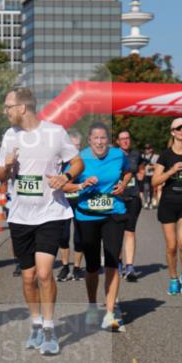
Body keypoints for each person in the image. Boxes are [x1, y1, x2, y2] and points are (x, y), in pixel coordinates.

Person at [0, 86, 84, 355]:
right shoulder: (10, 135)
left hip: (50, 213)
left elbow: (77, 162)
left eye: (9, 106)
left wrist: (65, 177)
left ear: (23, 107)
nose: (5, 111)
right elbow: (0, 177)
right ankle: (35, 324)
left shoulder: (55, 132)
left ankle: (49, 327)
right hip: (21, 215)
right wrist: (8, 165)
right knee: (28, 277)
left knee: (45, 273)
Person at [65, 122, 130, 331]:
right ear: (90, 140)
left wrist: (124, 183)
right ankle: (93, 306)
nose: (100, 142)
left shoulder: (118, 155)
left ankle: (110, 313)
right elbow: (64, 184)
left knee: (113, 261)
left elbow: (128, 171)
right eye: (96, 139)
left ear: (108, 140)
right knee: (92, 265)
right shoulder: (80, 159)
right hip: (87, 216)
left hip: (113, 213)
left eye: (103, 138)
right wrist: (82, 185)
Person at [151, 117, 182, 296]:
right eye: (178, 128)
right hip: (168, 203)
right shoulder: (165, 155)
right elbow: (155, 181)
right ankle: (173, 278)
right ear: (172, 132)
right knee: (171, 246)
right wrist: (171, 171)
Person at [57, 129, 86, 282]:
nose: (75, 148)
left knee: (79, 236)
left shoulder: (83, 162)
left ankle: (76, 267)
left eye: (78, 145)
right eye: (72, 145)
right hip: (64, 201)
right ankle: (64, 266)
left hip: (80, 201)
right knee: (63, 235)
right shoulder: (60, 162)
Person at [115, 129, 143, 282]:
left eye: (127, 138)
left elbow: (141, 167)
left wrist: (141, 174)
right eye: (122, 138)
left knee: (130, 231)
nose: (125, 141)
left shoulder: (136, 154)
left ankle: (130, 266)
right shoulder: (113, 155)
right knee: (117, 232)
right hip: (117, 198)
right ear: (118, 142)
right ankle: (118, 262)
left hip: (133, 197)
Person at [140, 144, 158, 209]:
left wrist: (151, 166)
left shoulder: (156, 157)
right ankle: (145, 201)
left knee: (152, 189)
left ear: (151, 149)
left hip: (153, 175)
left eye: (148, 148)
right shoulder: (142, 156)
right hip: (145, 175)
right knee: (146, 188)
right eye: (145, 149)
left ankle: (150, 202)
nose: (146, 150)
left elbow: (158, 166)